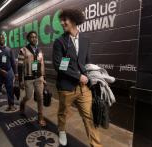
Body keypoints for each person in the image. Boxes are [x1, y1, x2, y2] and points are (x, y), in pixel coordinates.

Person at [52, 9, 102, 147]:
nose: (62, 23)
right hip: (66, 87)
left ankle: (96, 145)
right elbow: (58, 66)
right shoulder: (60, 42)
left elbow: (86, 62)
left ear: (74, 20)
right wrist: (78, 76)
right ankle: (61, 130)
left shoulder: (85, 40)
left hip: (84, 88)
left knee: (89, 117)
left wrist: (92, 76)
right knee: (63, 113)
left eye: (65, 20)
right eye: (61, 20)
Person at [18, 31, 46, 127]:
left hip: (38, 78)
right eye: (31, 37)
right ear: (28, 39)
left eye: (35, 37)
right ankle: (22, 103)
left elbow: (42, 64)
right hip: (28, 78)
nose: (34, 38)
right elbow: (20, 66)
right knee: (28, 96)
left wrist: (43, 76)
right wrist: (20, 80)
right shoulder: (23, 50)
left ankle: (40, 117)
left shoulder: (39, 51)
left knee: (40, 97)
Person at [0, 33, 17, 111]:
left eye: (3, 38)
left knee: (10, 88)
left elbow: (13, 62)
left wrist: (16, 73)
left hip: (8, 72)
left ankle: (11, 104)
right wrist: (0, 70)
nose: (2, 40)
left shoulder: (9, 50)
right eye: (0, 38)